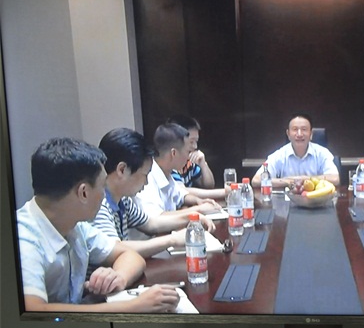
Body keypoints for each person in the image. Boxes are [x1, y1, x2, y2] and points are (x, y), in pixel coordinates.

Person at [17, 137, 179, 312]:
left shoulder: (75, 226)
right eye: (102, 186)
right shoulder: (24, 240)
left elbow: (130, 255)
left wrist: (118, 277)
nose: (104, 195)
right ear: (84, 193)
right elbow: (34, 310)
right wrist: (133, 306)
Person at [92, 128, 216, 259]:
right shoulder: (98, 205)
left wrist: (191, 218)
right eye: (144, 175)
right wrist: (172, 240)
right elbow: (115, 249)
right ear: (122, 170)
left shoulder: (123, 200)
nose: (146, 182)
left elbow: (151, 223)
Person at [136, 123, 221, 219]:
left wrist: (198, 201)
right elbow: (156, 218)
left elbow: (181, 195)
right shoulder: (147, 178)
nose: (189, 157)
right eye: (188, 152)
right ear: (174, 153)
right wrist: (198, 209)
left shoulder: (166, 172)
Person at [250, 114, 340, 188]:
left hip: (317, 201)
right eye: (295, 129)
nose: (299, 134)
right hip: (287, 202)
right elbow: (256, 180)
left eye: (304, 129)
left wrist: (307, 179)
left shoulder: (322, 153)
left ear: (311, 134)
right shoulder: (279, 155)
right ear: (288, 134)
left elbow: (335, 179)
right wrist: (290, 181)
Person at [166, 115, 226, 200]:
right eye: (191, 142)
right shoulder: (169, 163)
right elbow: (181, 191)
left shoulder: (188, 162)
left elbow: (208, 185)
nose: (195, 146)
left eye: (196, 141)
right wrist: (225, 192)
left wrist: (203, 164)